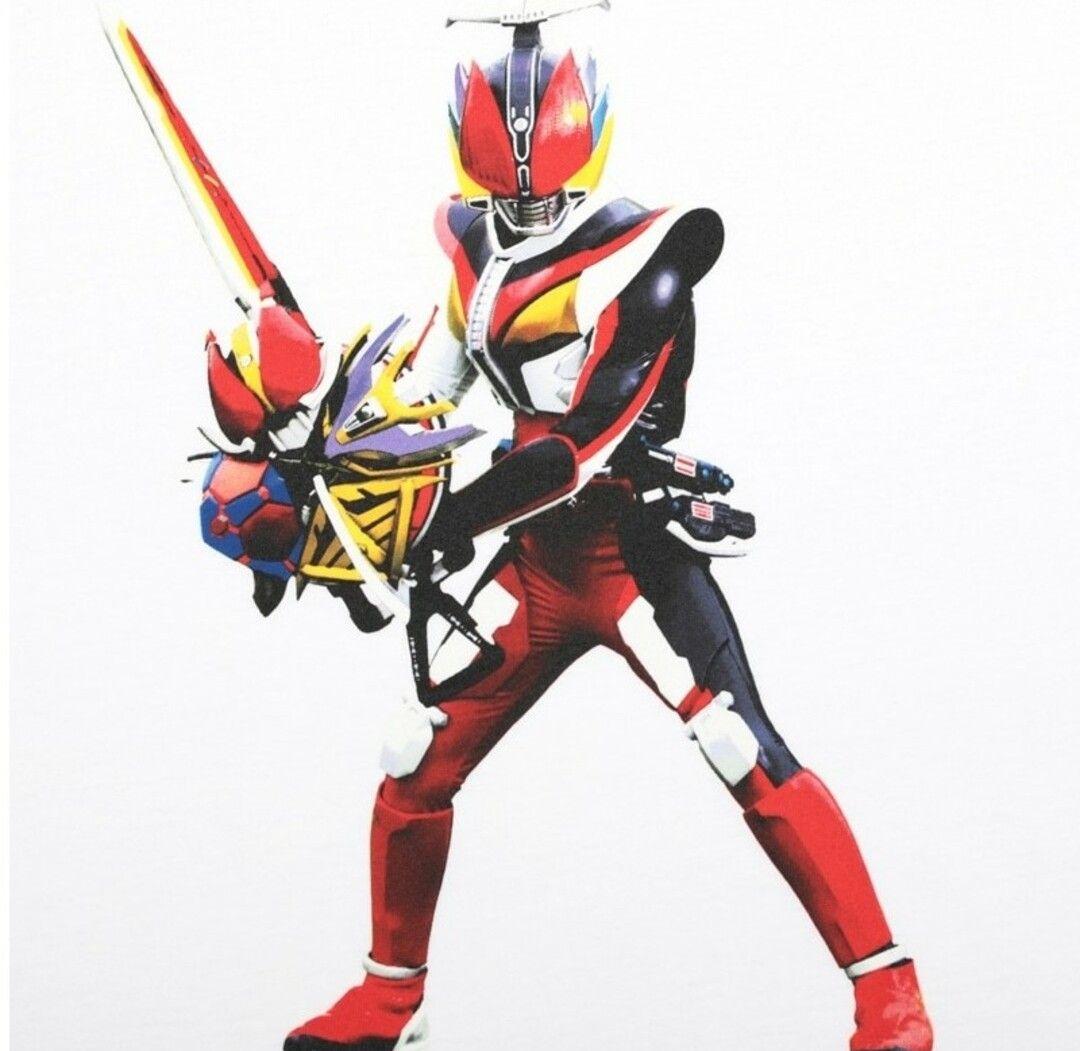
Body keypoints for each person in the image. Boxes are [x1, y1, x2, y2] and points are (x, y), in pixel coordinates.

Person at [286, 15, 933, 1051]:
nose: (523, 212)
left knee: (741, 747)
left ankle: (889, 997)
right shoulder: (471, 247)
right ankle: (389, 996)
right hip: (533, 568)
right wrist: (331, 450)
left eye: (540, 196)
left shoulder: (651, 253)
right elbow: (429, 393)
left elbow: (576, 447)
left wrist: (443, 522)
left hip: (628, 552)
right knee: (416, 760)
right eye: (508, 196)